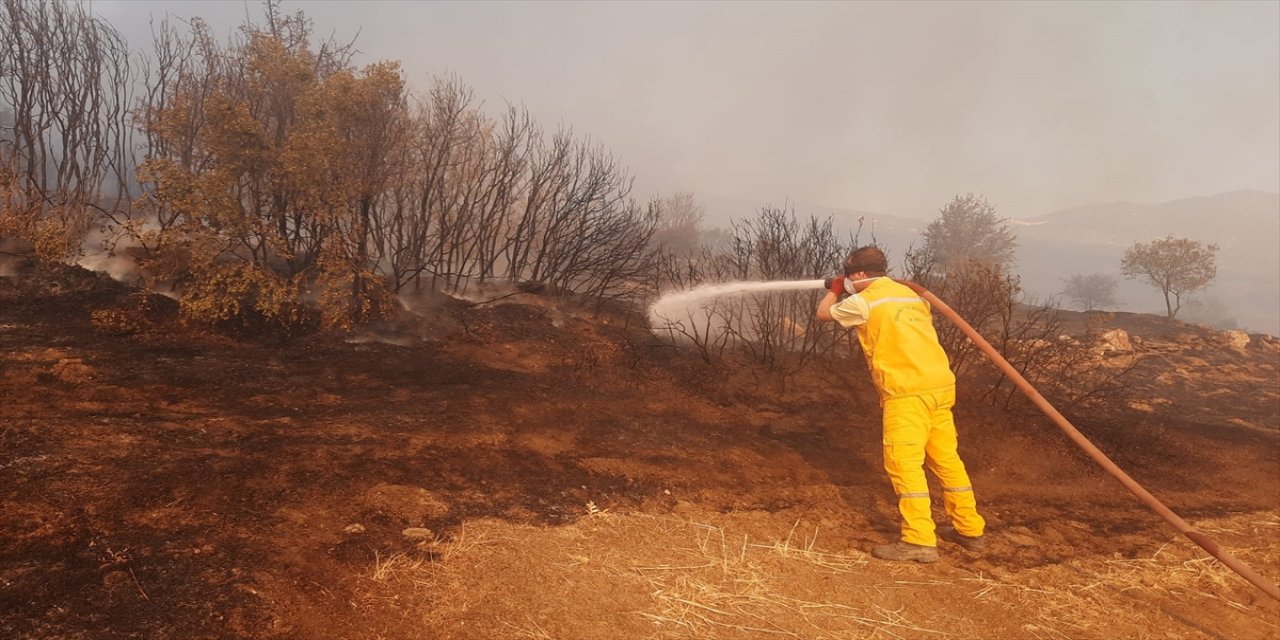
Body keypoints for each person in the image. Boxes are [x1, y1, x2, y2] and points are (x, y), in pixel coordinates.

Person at [815, 246, 986, 563]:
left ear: (862, 274)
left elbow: (823, 314)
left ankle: (919, 540)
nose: (849, 280)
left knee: (904, 464)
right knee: (946, 460)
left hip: (907, 392)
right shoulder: (910, 296)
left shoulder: (865, 301)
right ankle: (969, 530)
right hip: (939, 386)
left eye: (851, 275)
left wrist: (836, 290)